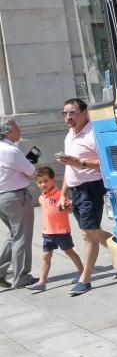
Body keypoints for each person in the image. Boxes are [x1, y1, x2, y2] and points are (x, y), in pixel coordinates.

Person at [57, 99, 115, 296]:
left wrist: (80, 163)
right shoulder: (70, 135)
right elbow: (68, 167)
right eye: (65, 113)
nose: (68, 117)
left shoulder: (93, 134)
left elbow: (106, 163)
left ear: (85, 113)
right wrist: (62, 194)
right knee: (91, 231)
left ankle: (85, 278)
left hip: (91, 188)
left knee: (88, 233)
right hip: (75, 190)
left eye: (72, 112)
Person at [27, 167, 84, 292]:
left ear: (53, 180)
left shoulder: (59, 195)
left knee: (70, 253)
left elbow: (70, 209)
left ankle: (82, 272)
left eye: (46, 181)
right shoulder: (41, 197)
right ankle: (42, 281)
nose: (43, 184)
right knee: (46, 257)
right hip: (47, 233)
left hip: (61, 232)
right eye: (40, 182)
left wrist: (65, 208)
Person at [0, 117, 37, 289]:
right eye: (16, 128)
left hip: (3, 198)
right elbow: (31, 172)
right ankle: (21, 276)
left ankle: (0, 272)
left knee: (13, 235)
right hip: (15, 196)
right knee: (21, 236)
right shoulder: (11, 151)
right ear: (7, 131)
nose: (19, 130)